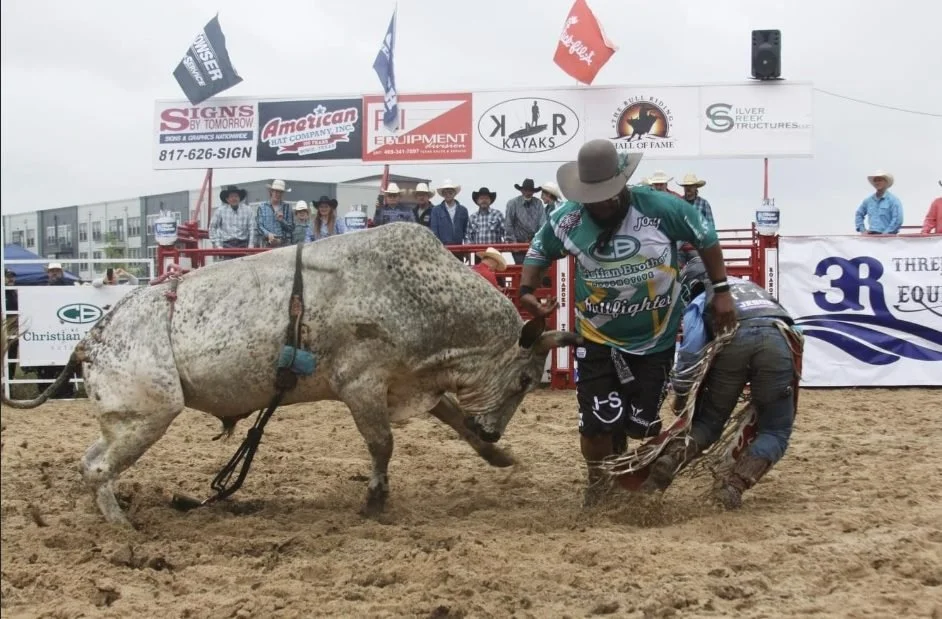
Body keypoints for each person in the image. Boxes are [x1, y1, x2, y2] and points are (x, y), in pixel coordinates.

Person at [519, 139, 736, 506]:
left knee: (642, 423)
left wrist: (721, 289)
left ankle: (621, 443)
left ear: (621, 186)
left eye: (605, 194)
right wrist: (527, 290)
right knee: (595, 420)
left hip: (656, 336)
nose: (599, 203)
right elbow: (539, 250)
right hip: (596, 335)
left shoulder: (662, 208)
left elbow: (706, 237)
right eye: (592, 196)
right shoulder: (567, 219)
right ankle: (597, 486)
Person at [642, 257, 803, 509]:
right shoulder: (756, 290)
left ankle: (671, 460)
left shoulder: (700, 298)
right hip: (776, 339)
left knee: (707, 423)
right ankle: (733, 486)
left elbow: (691, 350)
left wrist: (682, 394)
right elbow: (795, 329)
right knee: (775, 430)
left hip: (733, 344)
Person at [209, 185, 255, 255]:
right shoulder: (220, 211)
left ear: (239, 198)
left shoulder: (248, 210)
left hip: (243, 244)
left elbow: (252, 228)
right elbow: (212, 228)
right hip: (226, 245)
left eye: (236, 196)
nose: (234, 198)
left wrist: (251, 245)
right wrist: (218, 245)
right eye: (231, 196)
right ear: (227, 199)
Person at [855, 170, 903, 235]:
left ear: (886, 182)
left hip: (889, 239)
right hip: (871, 236)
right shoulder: (868, 200)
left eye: (880, 180)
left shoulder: (893, 200)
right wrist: (862, 230)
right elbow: (859, 214)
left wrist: (886, 234)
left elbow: (897, 219)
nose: (877, 182)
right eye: (875, 180)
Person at [256, 179, 294, 247]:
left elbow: (291, 228)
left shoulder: (288, 207)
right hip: (266, 243)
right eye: (276, 191)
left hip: (283, 244)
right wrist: (268, 234)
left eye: (280, 192)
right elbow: (259, 226)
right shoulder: (262, 207)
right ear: (271, 192)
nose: (278, 194)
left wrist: (282, 221)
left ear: (283, 194)